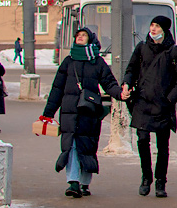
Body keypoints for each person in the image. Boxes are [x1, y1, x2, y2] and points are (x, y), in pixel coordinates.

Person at [40, 27, 123, 198]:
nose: (79, 38)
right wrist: (48, 114)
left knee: (87, 146)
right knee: (71, 145)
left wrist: (120, 94)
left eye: (83, 35)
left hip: (89, 112)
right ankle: (73, 182)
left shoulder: (97, 62)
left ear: (90, 39)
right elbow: (57, 89)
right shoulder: (68, 61)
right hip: (69, 111)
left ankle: (85, 182)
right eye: (77, 35)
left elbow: (109, 83)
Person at [120, 15, 177, 198]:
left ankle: (160, 181)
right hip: (142, 102)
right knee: (142, 141)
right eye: (151, 25)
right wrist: (126, 84)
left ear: (165, 30)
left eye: (157, 26)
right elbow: (131, 70)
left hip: (162, 106)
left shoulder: (174, 51)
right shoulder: (142, 48)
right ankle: (146, 177)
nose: (153, 29)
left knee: (162, 146)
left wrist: (169, 100)